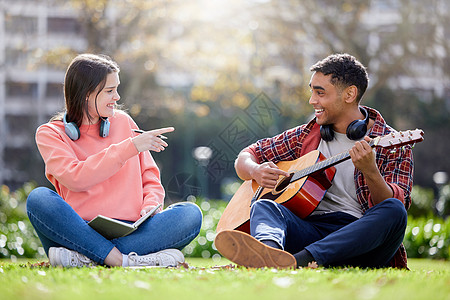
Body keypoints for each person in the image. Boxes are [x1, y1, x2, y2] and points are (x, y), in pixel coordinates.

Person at [215, 53, 413, 269]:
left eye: (320, 93)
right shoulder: (306, 135)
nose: (312, 101)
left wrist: (370, 171)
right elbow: (246, 156)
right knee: (264, 205)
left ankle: (298, 261)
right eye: (312, 91)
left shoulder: (393, 143)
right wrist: (255, 171)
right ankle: (268, 253)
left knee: (394, 210)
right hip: (310, 229)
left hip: (359, 241)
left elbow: (393, 205)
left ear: (349, 94)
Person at [26, 54, 202, 268]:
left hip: (130, 229)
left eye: (116, 88)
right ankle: (125, 260)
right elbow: (75, 177)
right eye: (110, 91)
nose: (117, 97)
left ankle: (89, 258)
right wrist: (130, 147)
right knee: (39, 199)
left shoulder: (124, 122)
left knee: (190, 215)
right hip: (78, 230)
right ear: (86, 94)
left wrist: (151, 205)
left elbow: (150, 177)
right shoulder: (50, 133)